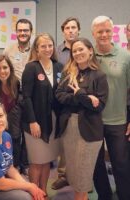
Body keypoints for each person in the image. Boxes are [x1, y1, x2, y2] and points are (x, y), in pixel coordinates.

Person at [56, 37, 108, 200]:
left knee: (83, 177)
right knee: (73, 174)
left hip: (90, 130)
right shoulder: (68, 72)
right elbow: (59, 95)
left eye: (81, 49)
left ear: (90, 51)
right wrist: (84, 98)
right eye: (75, 51)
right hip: (69, 127)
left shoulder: (99, 75)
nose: (78, 53)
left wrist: (78, 93)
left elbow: (99, 106)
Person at [92, 16, 130, 200]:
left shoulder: (126, 57)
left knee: (121, 163)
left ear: (113, 31)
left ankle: (124, 195)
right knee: (96, 164)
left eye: (107, 30)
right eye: (100, 31)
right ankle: (104, 195)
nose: (104, 34)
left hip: (118, 120)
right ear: (93, 34)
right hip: (93, 121)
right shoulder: (88, 56)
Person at [22, 33, 62, 194]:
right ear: (36, 49)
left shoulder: (59, 66)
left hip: (53, 120)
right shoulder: (31, 67)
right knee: (37, 161)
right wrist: (32, 121)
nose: (47, 49)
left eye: (50, 45)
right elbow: (26, 97)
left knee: (46, 160)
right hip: (35, 121)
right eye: (43, 46)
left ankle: (43, 191)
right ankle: (34, 193)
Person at [52, 16, 81, 190]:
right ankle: (63, 175)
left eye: (73, 27)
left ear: (78, 30)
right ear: (63, 31)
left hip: (81, 102)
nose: (70, 30)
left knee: (81, 142)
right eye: (67, 28)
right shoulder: (56, 51)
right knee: (64, 141)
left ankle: (82, 177)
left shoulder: (84, 47)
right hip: (62, 102)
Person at [3, 18, 33, 172]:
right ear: (16, 32)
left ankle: (25, 164)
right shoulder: (8, 50)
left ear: (30, 32)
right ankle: (13, 165)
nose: (23, 33)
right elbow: (3, 71)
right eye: (20, 30)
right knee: (14, 134)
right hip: (13, 96)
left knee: (27, 133)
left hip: (31, 98)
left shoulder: (36, 50)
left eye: (26, 30)